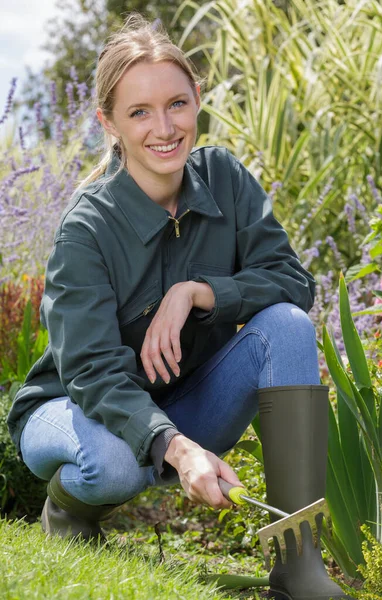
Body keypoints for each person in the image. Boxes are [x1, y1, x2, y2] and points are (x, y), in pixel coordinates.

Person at [7, 13, 350, 600]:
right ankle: (68, 510)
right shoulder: (86, 230)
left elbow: (294, 283)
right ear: (107, 123)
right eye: (139, 112)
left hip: (183, 403)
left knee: (286, 327)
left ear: (197, 102)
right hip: (70, 408)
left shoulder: (225, 178)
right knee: (117, 462)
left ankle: (298, 568)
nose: (163, 128)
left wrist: (197, 292)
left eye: (177, 104)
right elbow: (90, 373)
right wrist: (178, 446)